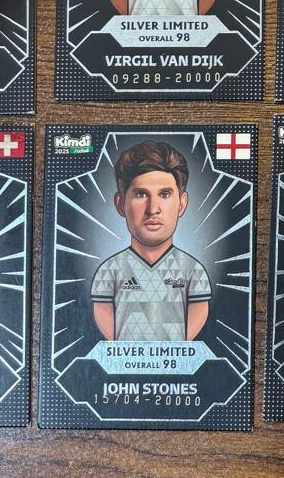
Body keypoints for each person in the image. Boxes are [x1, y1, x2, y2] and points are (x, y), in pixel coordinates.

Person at [90, 140, 211, 342]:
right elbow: (102, 311)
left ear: (181, 204)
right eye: (140, 194)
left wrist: (173, 348)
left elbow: (198, 310)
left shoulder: (193, 269)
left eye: (165, 194)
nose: (153, 209)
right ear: (120, 204)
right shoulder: (109, 269)